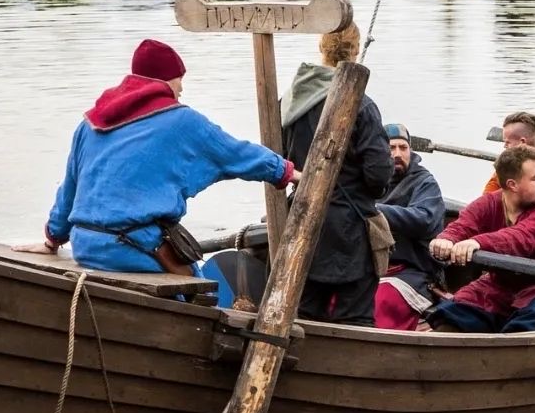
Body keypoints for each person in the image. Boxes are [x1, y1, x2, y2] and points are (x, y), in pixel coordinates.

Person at [39, 38, 298, 273]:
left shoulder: (89, 123)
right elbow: (238, 154)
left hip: (85, 244)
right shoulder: (181, 121)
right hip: (132, 247)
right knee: (200, 290)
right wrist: (287, 172)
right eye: (179, 79)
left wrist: (52, 239)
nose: (181, 88)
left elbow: (69, 189)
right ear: (164, 81)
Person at [281, 22, 392, 325]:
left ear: (321, 47)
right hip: (350, 229)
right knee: (354, 318)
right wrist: (372, 192)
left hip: (301, 219)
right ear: (356, 51)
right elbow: (379, 171)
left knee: (301, 313)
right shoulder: (362, 105)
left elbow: (278, 157)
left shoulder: (290, 101)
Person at [421, 145, 535, 333]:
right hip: (503, 285)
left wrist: (477, 242)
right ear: (512, 185)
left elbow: (523, 237)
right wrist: (446, 239)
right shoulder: (490, 202)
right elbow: (463, 224)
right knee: (452, 313)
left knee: (527, 326)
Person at [373, 123, 447, 330]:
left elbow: (425, 220)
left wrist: (376, 211)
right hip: (370, 268)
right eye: (391, 148)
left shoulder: (424, 183)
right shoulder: (371, 181)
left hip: (413, 272)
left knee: (381, 302)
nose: (398, 154)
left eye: (403, 148)